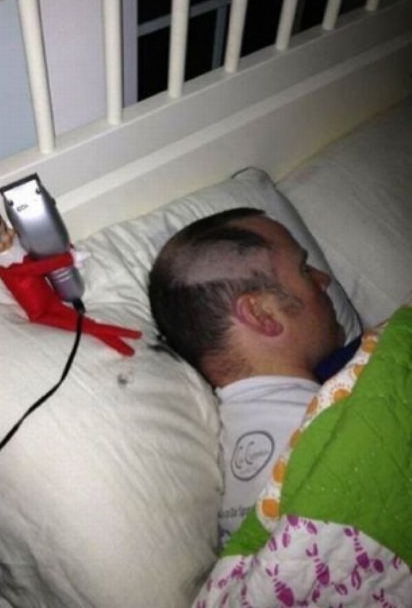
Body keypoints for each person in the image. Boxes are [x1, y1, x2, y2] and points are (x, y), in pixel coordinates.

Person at [148, 207, 345, 544]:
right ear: (261, 313)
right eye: (303, 269)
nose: (323, 279)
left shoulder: (227, 453)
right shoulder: (334, 424)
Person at [0, 179, 141, 356]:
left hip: (50, 297)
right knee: (82, 325)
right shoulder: (4, 266)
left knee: (84, 323)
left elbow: (39, 254)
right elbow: (36, 269)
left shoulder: (16, 249)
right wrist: (66, 259)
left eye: (5, 229)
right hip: (38, 311)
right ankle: (125, 336)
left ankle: (124, 342)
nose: (8, 236)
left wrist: (65, 250)